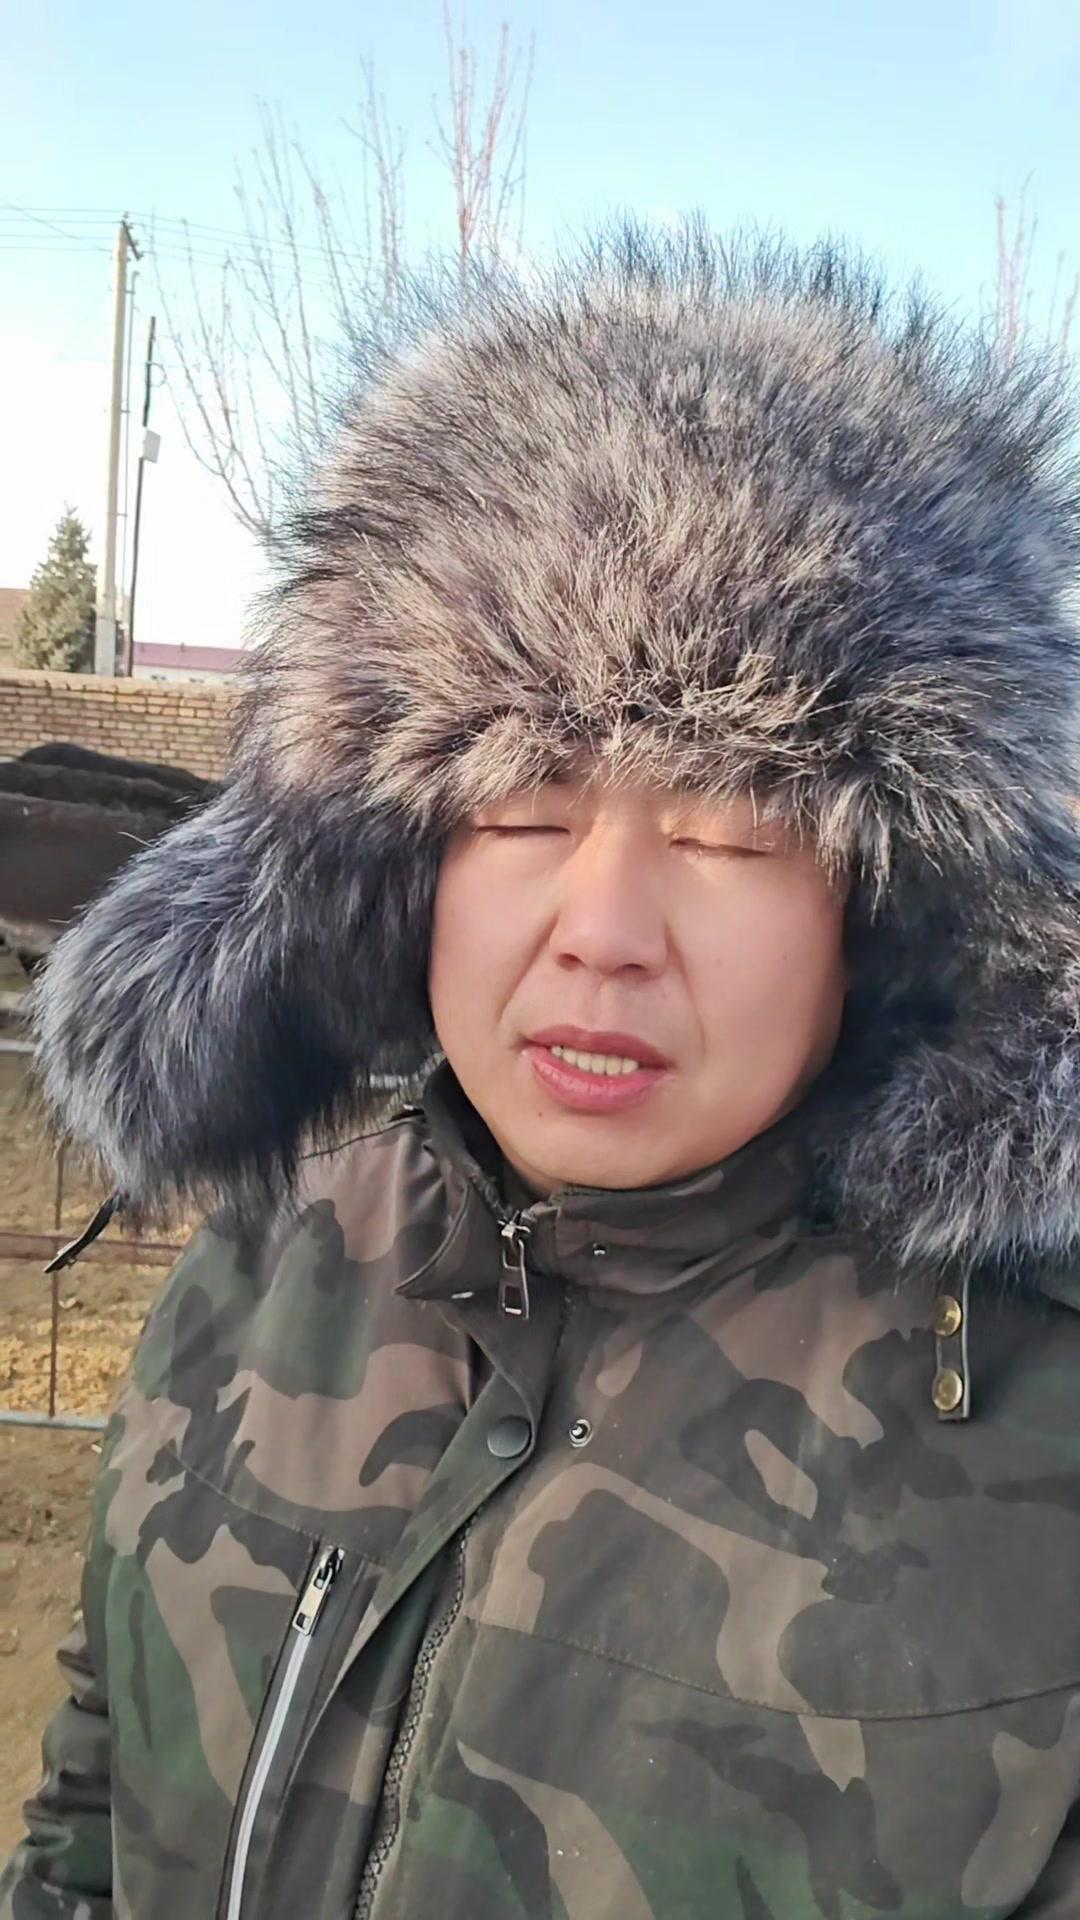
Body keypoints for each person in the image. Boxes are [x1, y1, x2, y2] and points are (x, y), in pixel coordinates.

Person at [4, 225, 1080, 1920]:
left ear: (887, 913)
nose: (603, 932)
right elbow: (100, 1784)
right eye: (520, 812)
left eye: (730, 834)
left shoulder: (1035, 1423)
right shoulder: (277, 1241)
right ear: (398, 853)